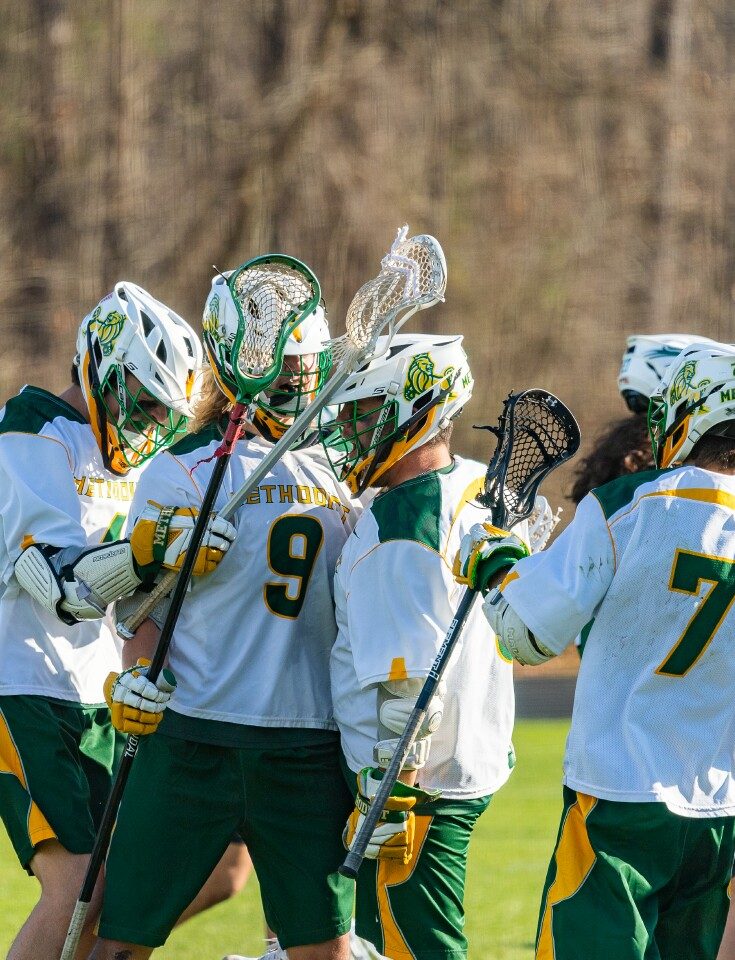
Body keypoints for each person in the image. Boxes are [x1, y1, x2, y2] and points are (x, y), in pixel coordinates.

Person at [91, 266, 361, 960]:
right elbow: (136, 608)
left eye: (306, 364)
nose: (300, 379)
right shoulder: (180, 467)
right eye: (285, 365)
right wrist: (136, 679)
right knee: (117, 942)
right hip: (189, 739)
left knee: (321, 952)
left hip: (307, 745)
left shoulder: (347, 470)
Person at [456, 340, 735, 960]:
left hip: (618, 797)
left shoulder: (631, 502)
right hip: (720, 812)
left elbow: (527, 634)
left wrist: (493, 556)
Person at [0, 281, 234, 960]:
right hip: (22, 685)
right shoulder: (32, 434)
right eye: (139, 401)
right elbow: (60, 586)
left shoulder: (131, 461)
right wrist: (152, 547)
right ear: (99, 366)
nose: (149, 425)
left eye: (164, 412)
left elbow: (133, 598)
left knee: (160, 881)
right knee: (82, 885)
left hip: (97, 694)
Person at [313, 332, 523, 960]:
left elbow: (409, 698)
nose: (351, 430)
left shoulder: (401, 522)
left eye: (367, 412)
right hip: (468, 755)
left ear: (417, 412)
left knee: (418, 948)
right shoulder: (480, 486)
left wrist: (390, 795)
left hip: (413, 788)